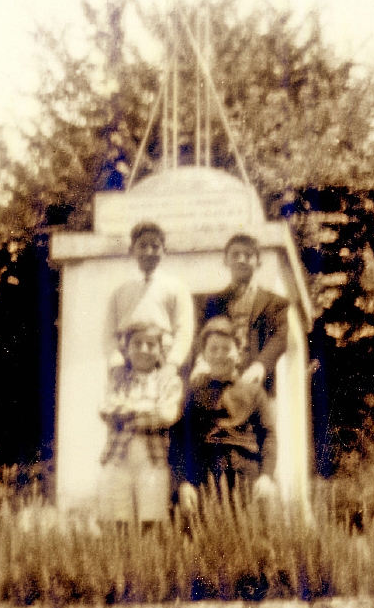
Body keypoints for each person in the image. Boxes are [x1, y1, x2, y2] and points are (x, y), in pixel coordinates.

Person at [172, 316, 277, 509]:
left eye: (226, 349)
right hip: (206, 476)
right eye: (213, 349)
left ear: (238, 354)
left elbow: (268, 435)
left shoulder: (254, 391)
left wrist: (266, 476)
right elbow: (179, 441)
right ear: (204, 354)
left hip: (246, 474)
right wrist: (184, 482)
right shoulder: (193, 393)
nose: (220, 355)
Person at [99, 320, 184, 524]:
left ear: (160, 349)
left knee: (151, 523)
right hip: (118, 459)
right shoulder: (118, 380)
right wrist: (148, 408)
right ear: (126, 349)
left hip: (153, 461)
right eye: (137, 343)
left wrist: (128, 409)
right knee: (119, 523)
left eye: (151, 344)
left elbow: (167, 415)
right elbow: (107, 410)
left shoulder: (169, 381)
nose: (144, 350)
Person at [199, 234, 289, 393]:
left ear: (258, 262)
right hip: (218, 381)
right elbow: (200, 336)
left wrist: (260, 366)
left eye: (248, 255)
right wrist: (202, 362)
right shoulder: (212, 302)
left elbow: (281, 337)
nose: (241, 259)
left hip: (257, 381)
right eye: (235, 255)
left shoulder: (276, 303)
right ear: (226, 261)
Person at [104, 222, 195, 375]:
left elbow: (184, 330)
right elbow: (108, 333)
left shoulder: (177, 287)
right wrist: (116, 362)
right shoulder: (119, 290)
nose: (149, 251)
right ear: (132, 250)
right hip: (127, 360)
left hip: (164, 359)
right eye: (142, 246)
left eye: (155, 246)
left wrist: (173, 363)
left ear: (164, 251)